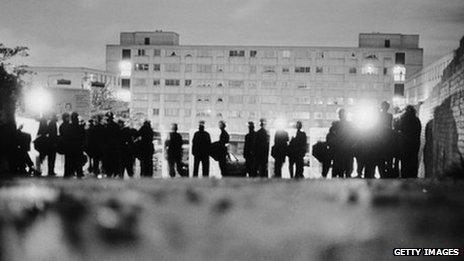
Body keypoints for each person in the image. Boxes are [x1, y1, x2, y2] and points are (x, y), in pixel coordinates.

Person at [328, 108, 354, 178]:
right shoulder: (350, 125)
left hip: (338, 150)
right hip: (347, 149)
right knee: (348, 170)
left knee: (339, 170)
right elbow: (354, 137)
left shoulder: (335, 125)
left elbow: (330, 137)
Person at [397, 105, 421, 178]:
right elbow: (419, 131)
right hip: (415, 143)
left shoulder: (404, 119)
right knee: (414, 160)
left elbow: (399, 128)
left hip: (405, 143)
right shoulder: (416, 120)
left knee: (405, 161)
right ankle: (413, 175)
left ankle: (405, 176)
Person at [63, 112, 85, 178]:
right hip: (78, 148)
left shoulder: (68, 127)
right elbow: (83, 137)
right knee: (78, 162)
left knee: (68, 162)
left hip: (70, 148)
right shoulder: (80, 127)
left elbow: (65, 137)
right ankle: (79, 173)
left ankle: (67, 174)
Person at [102, 112, 122, 178]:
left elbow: (103, 138)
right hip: (115, 148)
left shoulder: (106, 127)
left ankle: (109, 174)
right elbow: (119, 137)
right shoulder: (116, 126)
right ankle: (115, 174)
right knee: (114, 163)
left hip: (108, 149)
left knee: (108, 165)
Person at [377, 101, 394, 178]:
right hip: (388, 138)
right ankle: (388, 173)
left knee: (380, 158)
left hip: (380, 138)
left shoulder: (379, 115)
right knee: (389, 157)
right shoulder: (390, 116)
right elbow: (390, 126)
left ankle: (382, 174)